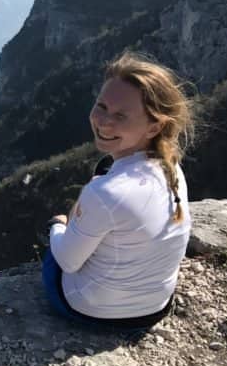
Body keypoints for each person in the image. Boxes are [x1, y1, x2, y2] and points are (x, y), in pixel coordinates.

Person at [42, 51, 195, 329]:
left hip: (92, 310)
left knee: (54, 250)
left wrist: (59, 225)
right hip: (156, 306)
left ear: (155, 127)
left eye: (121, 115)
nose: (103, 121)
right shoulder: (172, 168)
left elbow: (67, 262)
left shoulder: (105, 193)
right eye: (101, 106)